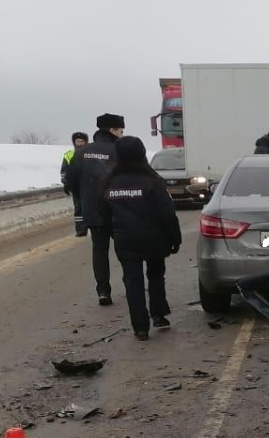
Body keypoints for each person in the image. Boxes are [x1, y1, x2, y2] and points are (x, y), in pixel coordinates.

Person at [97, 136, 181, 341]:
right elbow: (167, 213)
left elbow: (104, 215)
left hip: (125, 240)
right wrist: (174, 238)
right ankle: (159, 315)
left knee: (132, 282)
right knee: (155, 275)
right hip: (154, 238)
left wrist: (113, 235)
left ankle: (140, 327)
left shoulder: (109, 183)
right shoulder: (152, 181)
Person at [66, 113, 124, 305]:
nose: (122, 134)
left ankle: (103, 291)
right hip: (118, 209)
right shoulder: (120, 149)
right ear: (112, 130)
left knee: (100, 250)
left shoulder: (82, 152)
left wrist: (85, 199)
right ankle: (131, 283)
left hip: (94, 210)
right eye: (121, 130)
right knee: (125, 248)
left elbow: (71, 181)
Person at [61, 132, 89, 235]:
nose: (80, 143)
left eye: (82, 141)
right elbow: (64, 171)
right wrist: (65, 183)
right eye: (78, 141)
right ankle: (81, 230)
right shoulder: (69, 154)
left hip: (89, 186)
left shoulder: (90, 154)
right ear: (74, 142)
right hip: (76, 186)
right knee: (78, 208)